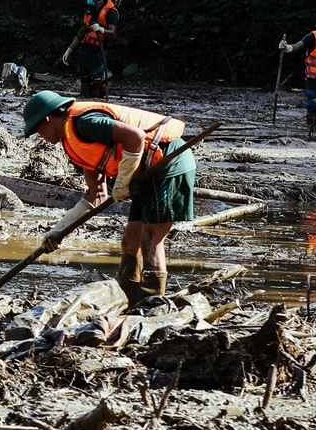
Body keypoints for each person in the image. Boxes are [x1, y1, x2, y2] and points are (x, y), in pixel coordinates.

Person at [22, 88, 196, 299]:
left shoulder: (85, 123)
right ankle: (128, 296)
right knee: (130, 242)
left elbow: (136, 136)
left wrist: (122, 181)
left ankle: (153, 301)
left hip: (169, 164)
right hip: (146, 173)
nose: (39, 136)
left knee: (151, 240)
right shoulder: (72, 142)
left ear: (47, 119)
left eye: (37, 130)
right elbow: (97, 193)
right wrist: (59, 231)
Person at [72, 0, 119, 99]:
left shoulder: (110, 12)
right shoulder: (90, 10)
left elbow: (113, 33)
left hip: (98, 48)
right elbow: (82, 32)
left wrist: (102, 30)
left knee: (97, 78)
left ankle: (98, 98)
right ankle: (84, 99)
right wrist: (69, 50)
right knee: (84, 77)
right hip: (86, 47)